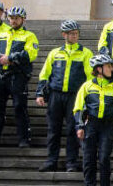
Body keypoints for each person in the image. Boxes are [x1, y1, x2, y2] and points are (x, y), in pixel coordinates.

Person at [36, 20, 93, 172]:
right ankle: (51, 160)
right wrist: (40, 92)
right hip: (55, 94)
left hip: (74, 96)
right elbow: (45, 74)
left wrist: (88, 96)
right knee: (53, 129)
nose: (75, 36)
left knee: (72, 129)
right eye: (71, 34)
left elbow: (90, 77)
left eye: (76, 34)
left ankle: (71, 162)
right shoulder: (55, 53)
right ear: (64, 35)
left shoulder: (86, 53)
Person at [73, 54, 113, 186]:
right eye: (108, 66)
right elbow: (77, 108)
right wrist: (79, 126)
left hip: (107, 126)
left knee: (104, 158)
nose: (111, 68)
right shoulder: (87, 86)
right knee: (89, 158)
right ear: (99, 69)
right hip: (90, 125)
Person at [0, 6, 37, 148]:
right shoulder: (2, 34)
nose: (13, 21)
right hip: (0, 75)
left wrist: (11, 58)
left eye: (16, 18)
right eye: (11, 18)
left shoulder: (29, 35)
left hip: (18, 75)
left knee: (20, 106)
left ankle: (24, 139)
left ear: (23, 19)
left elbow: (31, 53)